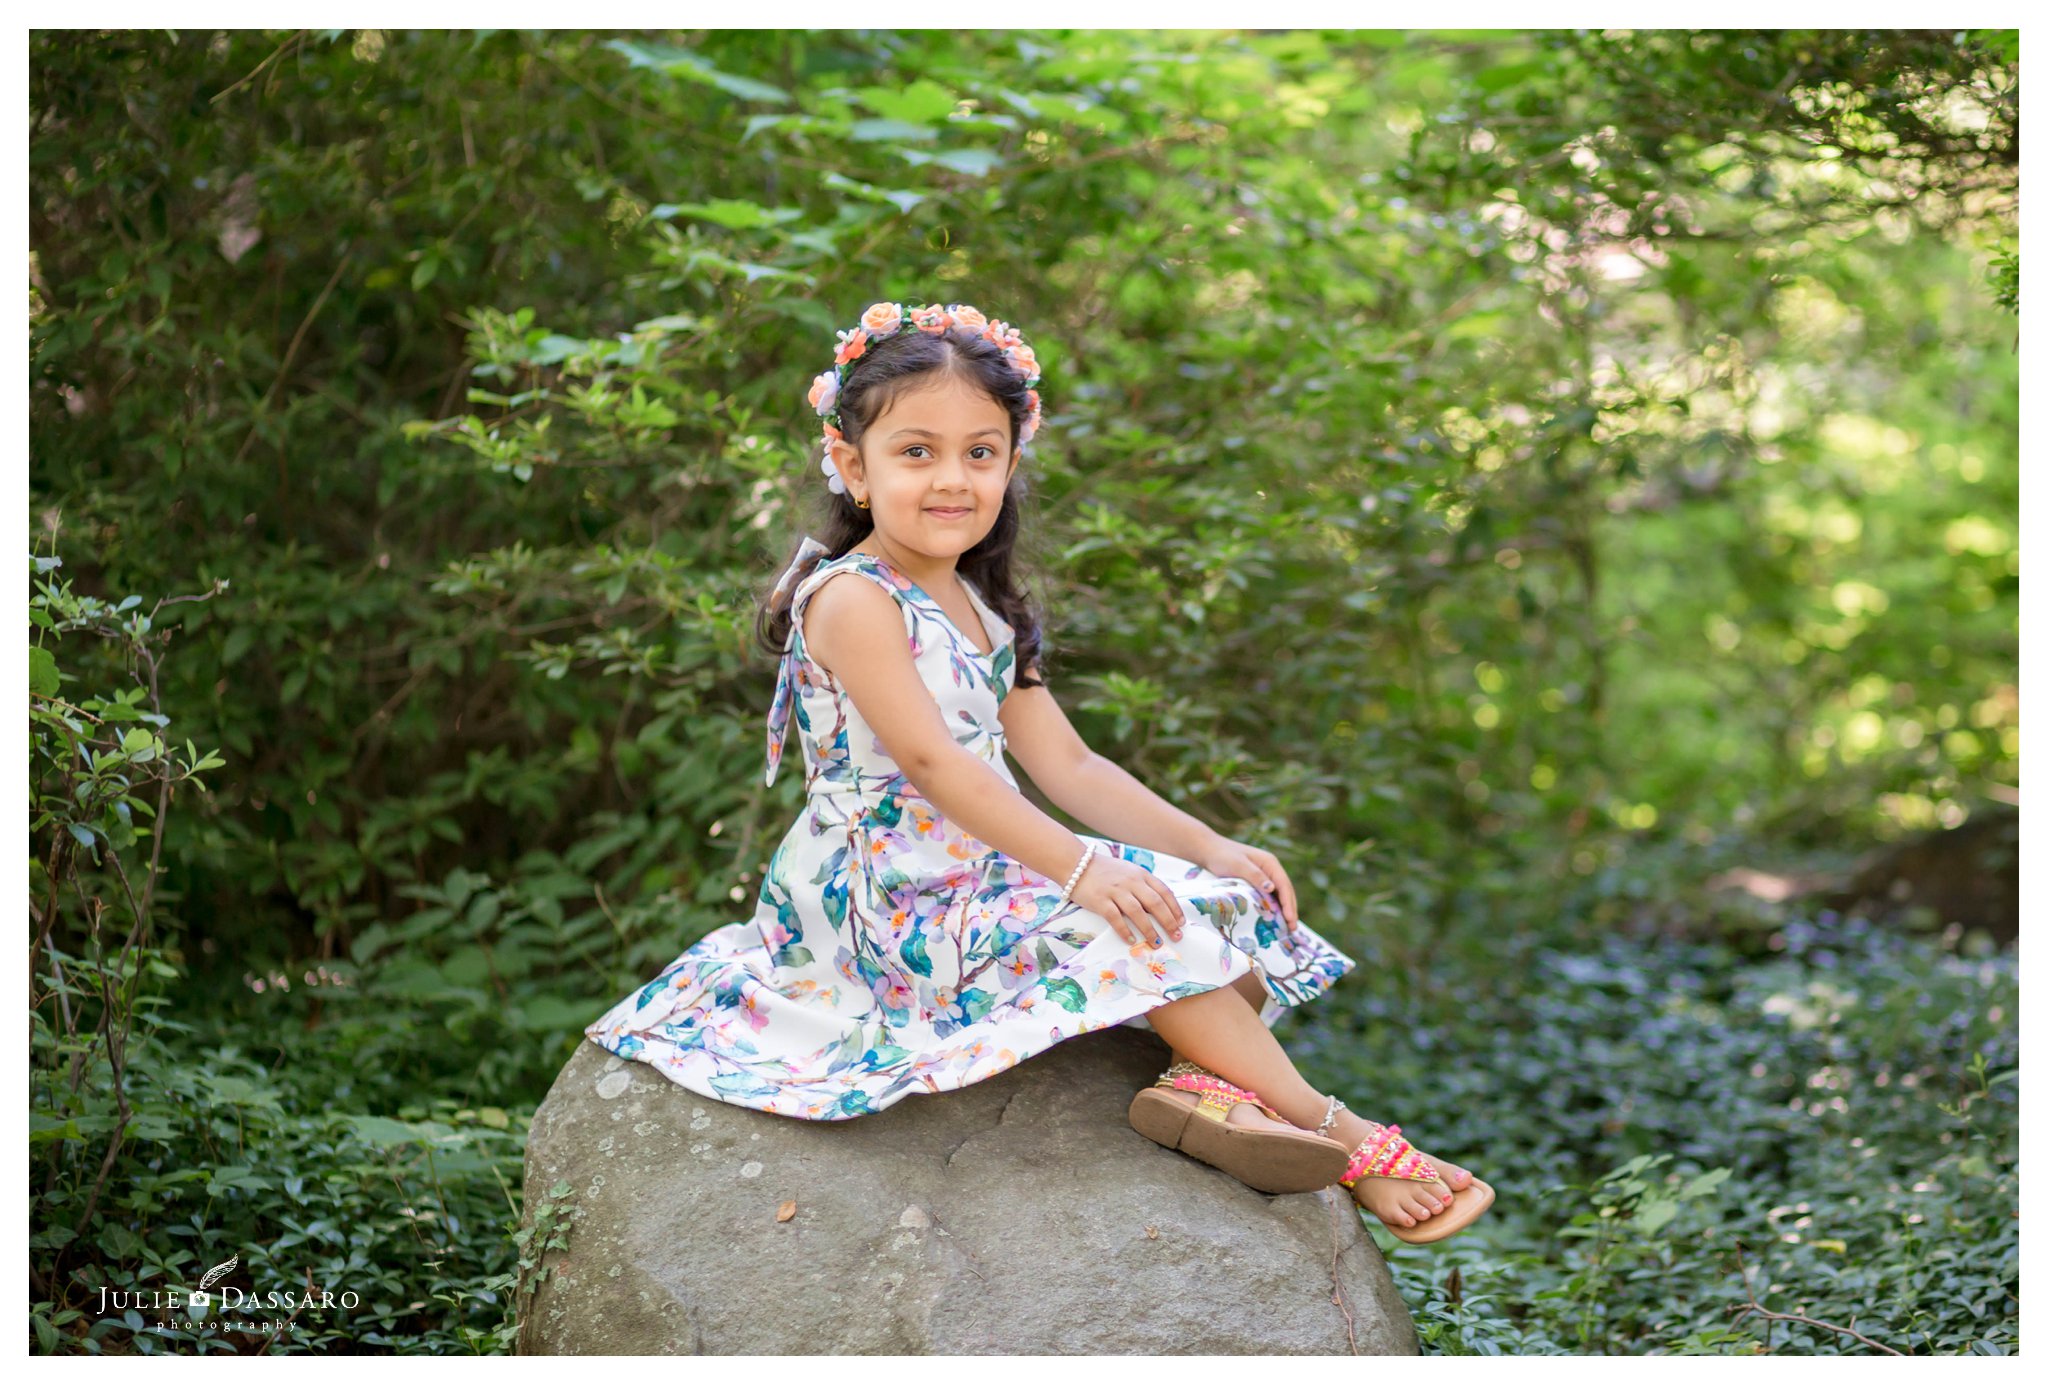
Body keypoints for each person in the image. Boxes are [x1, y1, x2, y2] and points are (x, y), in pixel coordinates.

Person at [584, 300, 1493, 1244]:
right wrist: (1081, 870)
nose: (952, 479)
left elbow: (1067, 760)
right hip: (883, 891)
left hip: (983, 861)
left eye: (980, 452)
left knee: (1214, 899)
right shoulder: (852, 598)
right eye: (916, 452)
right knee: (1131, 929)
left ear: (1012, 462)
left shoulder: (981, 605)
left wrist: (1210, 844)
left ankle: (1206, 1095)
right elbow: (934, 766)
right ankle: (1339, 1135)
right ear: (853, 466)